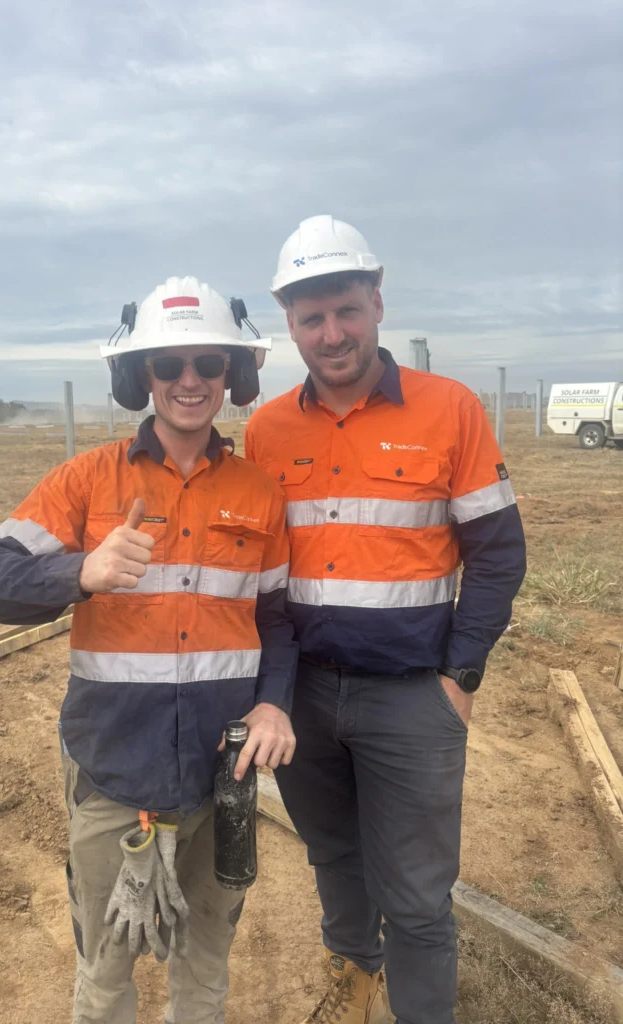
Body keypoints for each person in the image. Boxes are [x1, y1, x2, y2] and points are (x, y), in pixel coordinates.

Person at [0, 276, 298, 1024]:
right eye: (167, 365)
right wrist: (79, 571)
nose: (188, 381)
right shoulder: (86, 480)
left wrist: (275, 699)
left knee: (205, 971)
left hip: (224, 775)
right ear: (139, 376)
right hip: (115, 772)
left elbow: (276, 619)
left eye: (207, 364)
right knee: (107, 976)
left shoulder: (260, 493)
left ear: (231, 376)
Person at [244, 216, 527, 1024]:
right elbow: (260, 576)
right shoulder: (268, 430)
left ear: (376, 302)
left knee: (415, 894)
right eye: (311, 318)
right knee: (334, 857)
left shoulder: (451, 410)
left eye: (346, 310)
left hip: (412, 700)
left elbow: (499, 555)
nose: (331, 334)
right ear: (289, 323)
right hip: (304, 700)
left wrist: (460, 678)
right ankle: (355, 983)